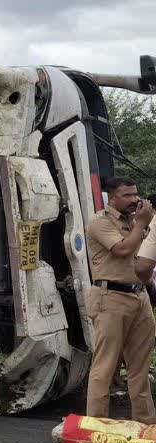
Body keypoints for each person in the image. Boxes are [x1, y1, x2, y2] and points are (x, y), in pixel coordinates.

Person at [84, 177, 156, 423]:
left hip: (139, 295)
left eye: (136, 194)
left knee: (140, 367)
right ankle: (96, 423)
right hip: (110, 297)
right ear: (112, 197)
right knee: (106, 365)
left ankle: (146, 424)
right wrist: (142, 224)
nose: (135, 199)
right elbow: (123, 250)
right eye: (127, 195)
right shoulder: (100, 222)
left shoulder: (134, 222)